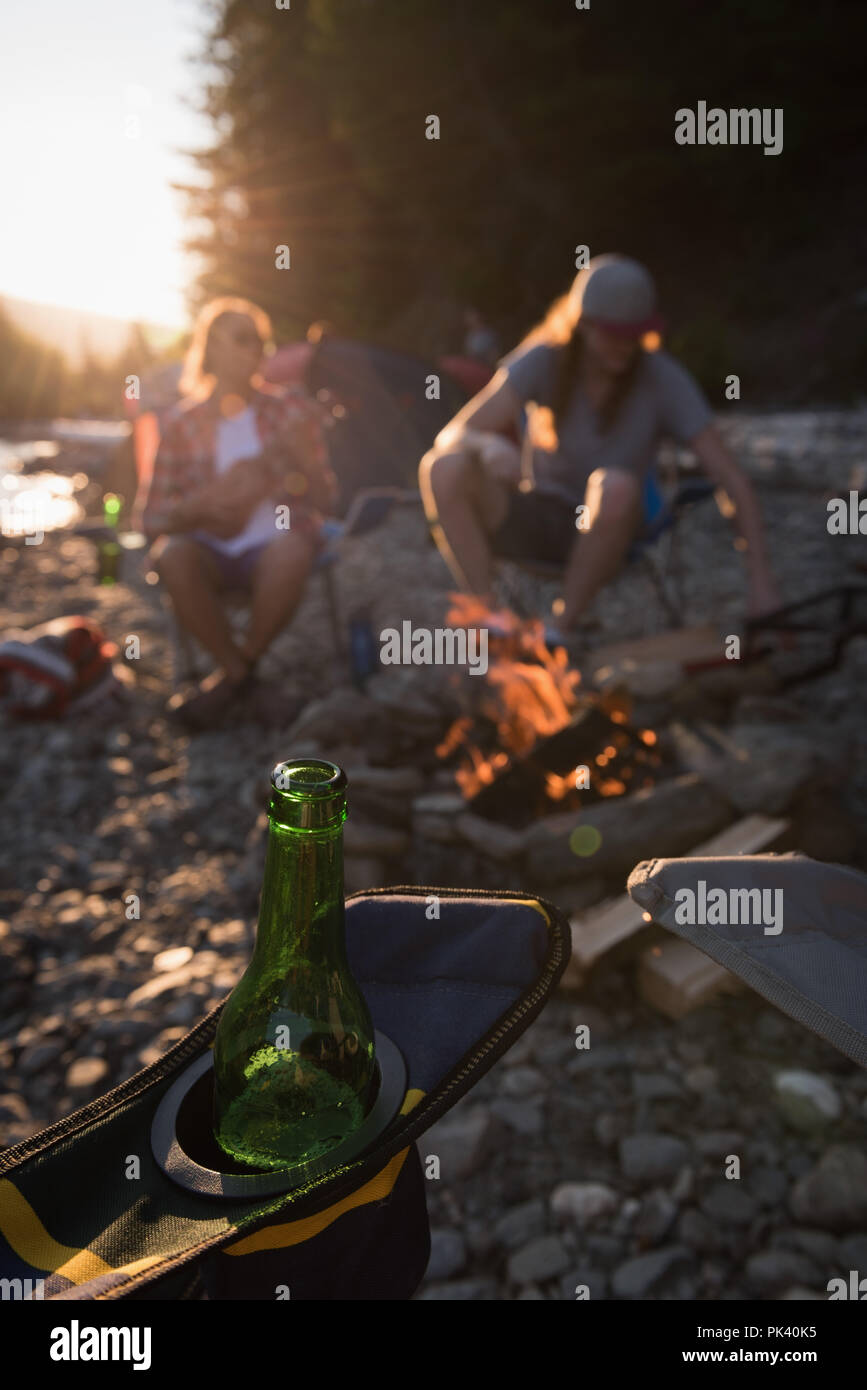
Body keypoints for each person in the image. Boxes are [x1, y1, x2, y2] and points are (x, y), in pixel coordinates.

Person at [420, 255, 781, 643]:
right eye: (613, 334)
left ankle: (559, 630)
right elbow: (454, 433)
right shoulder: (544, 360)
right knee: (442, 467)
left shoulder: (662, 378)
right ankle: (490, 619)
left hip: (615, 529)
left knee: (614, 485)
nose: (625, 346)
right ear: (583, 325)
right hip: (543, 518)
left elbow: (730, 477)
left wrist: (760, 580)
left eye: (634, 334)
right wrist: (487, 444)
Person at [142, 296, 336, 728]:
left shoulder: (292, 410)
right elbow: (149, 519)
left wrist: (306, 466)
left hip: (275, 547)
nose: (258, 350)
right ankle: (244, 679)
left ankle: (231, 678)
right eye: (243, 339)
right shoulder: (180, 424)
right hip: (208, 550)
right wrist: (195, 508)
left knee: (293, 547)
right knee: (171, 555)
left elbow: (326, 500)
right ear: (210, 349)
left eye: (262, 342)